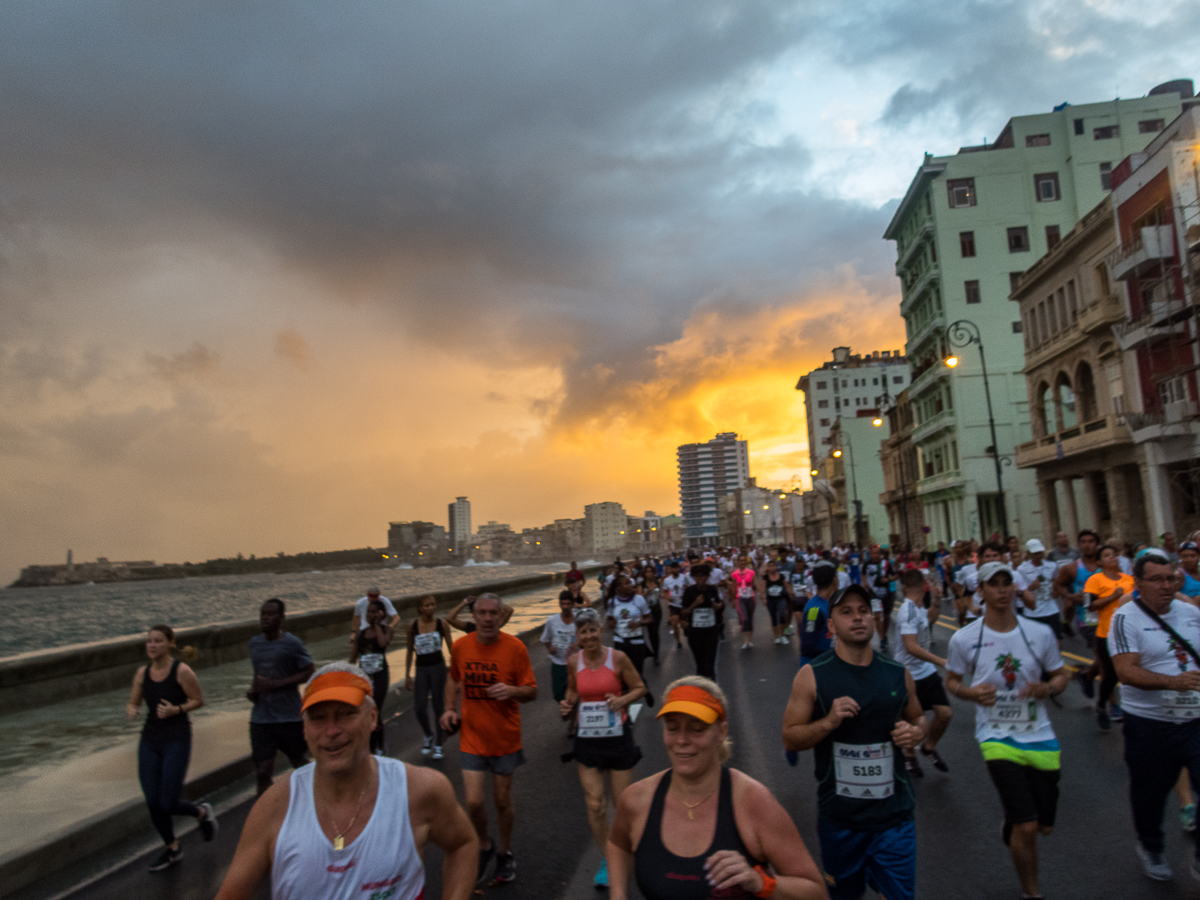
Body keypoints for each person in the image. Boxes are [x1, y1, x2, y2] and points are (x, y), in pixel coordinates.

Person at [213, 663, 478, 900]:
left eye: (346, 713)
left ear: (373, 717)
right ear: (304, 728)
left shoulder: (419, 790)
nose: (331, 731)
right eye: (318, 718)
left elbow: (463, 845)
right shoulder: (275, 806)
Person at [607, 677, 827, 900]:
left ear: (722, 732)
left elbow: (816, 892)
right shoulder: (637, 799)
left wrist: (762, 882)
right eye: (672, 728)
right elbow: (618, 844)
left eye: (697, 729)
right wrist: (617, 894)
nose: (682, 740)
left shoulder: (753, 802)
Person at [782, 584, 926, 900]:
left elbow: (918, 718)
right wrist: (828, 722)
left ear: (873, 618)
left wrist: (916, 733)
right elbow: (790, 737)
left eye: (863, 611)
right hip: (840, 821)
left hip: (894, 818)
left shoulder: (897, 673)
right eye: (846, 612)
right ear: (831, 626)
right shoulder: (812, 676)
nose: (857, 618)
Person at [945, 562, 1068, 900]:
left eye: (1006, 583)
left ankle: (1013, 822)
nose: (1001, 590)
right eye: (993, 584)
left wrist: (1049, 689)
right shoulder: (965, 639)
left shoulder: (1038, 633)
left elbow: (1060, 674)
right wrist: (969, 693)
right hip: (995, 735)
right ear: (980, 591)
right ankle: (1032, 893)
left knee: (1043, 825)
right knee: (1027, 826)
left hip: (1039, 733)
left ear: (1014, 588)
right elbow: (952, 681)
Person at [1110, 548, 1200, 882]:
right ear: (1138, 582)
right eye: (1157, 580)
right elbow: (1126, 671)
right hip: (1149, 724)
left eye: (1171, 578)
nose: (1166, 586)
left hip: (1195, 720)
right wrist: (1172, 682)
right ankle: (1151, 846)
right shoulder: (1126, 618)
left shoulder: (1191, 613)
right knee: (1149, 795)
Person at [440, 593, 538, 885]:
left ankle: (505, 852)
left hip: (505, 738)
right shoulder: (461, 646)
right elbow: (453, 679)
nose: (487, 618)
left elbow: (532, 691)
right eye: (481, 613)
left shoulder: (515, 648)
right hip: (472, 737)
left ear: (501, 616)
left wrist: (512, 691)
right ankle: (484, 844)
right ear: (474, 616)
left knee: (502, 801)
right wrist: (448, 709)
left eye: (493, 613)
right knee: (473, 802)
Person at [558, 607, 646, 888]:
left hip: (617, 736)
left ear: (601, 630)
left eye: (593, 629)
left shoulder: (617, 657)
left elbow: (639, 687)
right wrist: (567, 703)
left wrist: (623, 701)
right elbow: (573, 690)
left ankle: (626, 848)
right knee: (595, 804)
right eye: (583, 632)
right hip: (588, 738)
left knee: (621, 805)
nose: (589, 635)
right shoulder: (574, 662)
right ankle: (609, 858)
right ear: (578, 636)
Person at [127, 625, 216, 872]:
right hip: (150, 740)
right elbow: (134, 700)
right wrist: (132, 709)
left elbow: (198, 700)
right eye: (149, 641)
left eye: (157, 641)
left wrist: (175, 710)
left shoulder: (182, 671)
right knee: (153, 801)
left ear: (169, 644)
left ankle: (201, 812)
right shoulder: (142, 673)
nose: (152, 645)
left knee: (168, 801)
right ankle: (172, 849)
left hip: (177, 738)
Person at [248, 599, 314, 796]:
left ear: (282, 618)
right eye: (263, 614)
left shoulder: (291, 644)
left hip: (288, 716)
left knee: (298, 762)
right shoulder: (254, 644)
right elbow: (258, 674)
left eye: (270, 614)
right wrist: (253, 691)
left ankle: (317, 797)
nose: (265, 618)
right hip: (261, 718)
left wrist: (277, 684)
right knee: (262, 772)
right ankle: (264, 819)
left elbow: (309, 670)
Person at [893, 568, 953, 777]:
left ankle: (929, 747)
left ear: (904, 588)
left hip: (925, 671)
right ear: (923, 587)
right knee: (913, 721)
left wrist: (936, 600)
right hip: (908, 674)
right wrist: (941, 661)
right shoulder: (907, 610)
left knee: (945, 713)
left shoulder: (917, 608)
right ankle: (909, 755)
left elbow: (931, 618)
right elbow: (910, 646)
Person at [1084, 544, 1136, 729]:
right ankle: (1101, 705)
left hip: (1131, 632)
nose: (1113, 558)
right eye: (1107, 556)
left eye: (1114, 555)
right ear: (1099, 562)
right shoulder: (1094, 580)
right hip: (1106, 634)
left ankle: (1136, 710)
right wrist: (1113, 596)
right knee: (1112, 674)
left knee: (1135, 671)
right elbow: (1089, 605)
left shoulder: (1129, 579)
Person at [405, 594, 453, 759]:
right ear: (420, 608)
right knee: (419, 707)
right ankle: (428, 734)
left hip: (438, 668)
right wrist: (407, 675)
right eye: (427, 605)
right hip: (421, 669)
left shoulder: (442, 624)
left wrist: (455, 672)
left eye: (433, 604)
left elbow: (451, 648)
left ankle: (438, 744)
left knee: (439, 707)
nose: (431, 608)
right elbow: (410, 651)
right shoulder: (412, 626)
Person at [349, 598, 394, 754]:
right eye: (368, 611)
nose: (370, 614)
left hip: (381, 675)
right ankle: (374, 745)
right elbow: (353, 657)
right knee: (367, 710)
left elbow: (382, 643)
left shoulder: (387, 630)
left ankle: (378, 746)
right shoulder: (361, 634)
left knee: (376, 709)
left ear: (381, 614)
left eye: (374, 611)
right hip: (365, 677)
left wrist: (377, 624)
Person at [607, 575, 655, 706]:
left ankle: (645, 689)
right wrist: (612, 623)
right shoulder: (612, 601)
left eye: (631, 583)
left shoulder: (639, 599)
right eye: (627, 583)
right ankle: (624, 707)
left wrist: (639, 623)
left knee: (636, 673)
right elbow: (610, 619)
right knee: (621, 676)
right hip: (620, 641)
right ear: (619, 587)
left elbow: (650, 618)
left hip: (636, 642)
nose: (631, 585)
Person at [680, 564, 724, 679]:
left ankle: (713, 689)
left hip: (711, 631)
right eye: (697, 576)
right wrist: (694, 604)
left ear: (707, 577)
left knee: (710, 662)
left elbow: (721, 604)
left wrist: (717, 606)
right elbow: (683, 613)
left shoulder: (712, 589)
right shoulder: (689, 591)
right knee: (700, 664)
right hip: (695, 633)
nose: (700, 578)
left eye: (702, 576)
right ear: (694, 577)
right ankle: (701, 690)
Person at [1015, 539, 1062, 641]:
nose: (1038, 556)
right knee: (1036, 642)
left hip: (1051, 609)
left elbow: (1057, 583)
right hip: (1033, 612)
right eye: (1035, 553)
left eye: (1040, 552)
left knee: (1056, 641)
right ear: (1029, 553)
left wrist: (1057, 590)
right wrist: (1030, 587)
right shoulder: (1022, 569)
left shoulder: (1052, 566)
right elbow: (1019, 591)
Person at [541, 592, 579, 711]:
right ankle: (569, 711)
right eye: (563, 604)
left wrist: (578, 644)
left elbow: (586, 636)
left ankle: (573, 718)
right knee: (558, 694)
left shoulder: (578, 620)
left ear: (573, 604)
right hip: (558, 662)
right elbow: (545, 639)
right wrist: (550, 649)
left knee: (576, 693)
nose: (566, 607)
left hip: (575, 663)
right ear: (559, 604)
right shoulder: (552, 620)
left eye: (568, 604)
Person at [797, 562, 838, 669]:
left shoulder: (829, 603)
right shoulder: (814, 609)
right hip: (815, 669)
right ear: (834, 580)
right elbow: (807, 646)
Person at [953, 541, 1003, 626]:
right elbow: (958, 585)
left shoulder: (1006, 573)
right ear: (980, 557)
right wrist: (967, 604)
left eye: (995, 556)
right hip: (974, 615)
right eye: (987, 556)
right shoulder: (968, 572)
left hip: (997, 615)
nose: (991, 559)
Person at [862, 545, 895, 653]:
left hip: (886, 593)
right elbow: (863, 577)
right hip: (873, 593)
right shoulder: (866, 564)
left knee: (886, 616)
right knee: (877, 615)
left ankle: (884, 634)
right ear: (870, 554)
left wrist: (888, 579)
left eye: (877, 553)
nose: (875, 555)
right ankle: (882, 638)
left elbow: (895, 576)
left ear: (880, 554)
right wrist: (866, 585)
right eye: (873, 553)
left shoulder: (886, 563)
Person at [761, 558, 795, 645]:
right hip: (771, 600)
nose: (771, 567)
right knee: (774, 618)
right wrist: (763, 598)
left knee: (782, 614)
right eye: (770, 566)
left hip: (781, 599)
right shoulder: (766, 577)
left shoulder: (781, 576)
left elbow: (786, 586)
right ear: (768, 568)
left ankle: (783, 635)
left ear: (776, 567)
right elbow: (763, 588)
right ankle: (777, 637)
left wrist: (790, 594)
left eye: (773, 566)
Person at [730, 556, 758, 651]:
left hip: (750, 597)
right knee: (744, 618)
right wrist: (733, 600)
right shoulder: (734, 574)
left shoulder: (751, 572)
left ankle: (749, 640)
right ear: (737, 562)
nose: (742, 562)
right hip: (740, 598)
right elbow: (734, 587)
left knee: (750, 618)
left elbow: (756, 584)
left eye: (744, 561)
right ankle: (745, 641)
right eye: (740, 560)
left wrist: (762, 595)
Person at [446, 594, 514, 633]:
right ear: (473, 613)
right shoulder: (470, 627)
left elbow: (509, 610)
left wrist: (485, 601)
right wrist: (464, 603)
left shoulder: (493, 625)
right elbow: (450, 618)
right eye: (481, 612)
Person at [662, 560, 692, 650]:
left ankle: (685, 629)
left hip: (683, 604)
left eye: (677, 568)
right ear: (670, 570)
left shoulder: (684, 577)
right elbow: (664, 592)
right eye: (673, 568)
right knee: (674, 623)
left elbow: (689, 588)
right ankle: (678, 642)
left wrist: (686, 594)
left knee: (684, 625)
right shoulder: (667, 580)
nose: (676, 570)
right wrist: (668, 597)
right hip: (673, 604)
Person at [642, 568, 665, 663]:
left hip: (657, 611)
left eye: (651, 571)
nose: (649, 573)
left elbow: (660, 595)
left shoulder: (657, 583)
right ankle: (654, 651)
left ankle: (656, 655)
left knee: (655, 632)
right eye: (647, 571)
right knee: (650, 633)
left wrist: (665, 597)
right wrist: (648, 591)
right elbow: (640, 597)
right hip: (647, 612)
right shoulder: (642, 585)